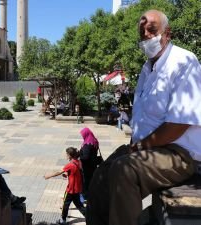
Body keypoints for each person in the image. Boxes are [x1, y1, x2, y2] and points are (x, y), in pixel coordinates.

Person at [86, 10, 201, 225]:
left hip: (181, 154)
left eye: (152, 29)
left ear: (167, 33)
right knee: (100, 175)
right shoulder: (147, 69)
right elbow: (142, 117)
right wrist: (134, 145)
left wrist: (139, 147)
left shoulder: (184, 61)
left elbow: (179, 124)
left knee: (124, 171)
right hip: (148, 148)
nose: (146, 34)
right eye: (142, 30)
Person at [44, 147, 86, 225]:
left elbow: (58, 172)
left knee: (65, 205)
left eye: (67, 154)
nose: (66, 155)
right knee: (79, 205)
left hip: (70, 190)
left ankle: (63, 220)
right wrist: (68, 174)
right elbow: (75, 171)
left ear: (70, 155)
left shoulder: (70, 164)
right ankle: (89, 216)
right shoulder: (78, 162)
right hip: (77, 189)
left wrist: (48, 176)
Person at [79, 128, 99, 200]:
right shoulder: (94, 141)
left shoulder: (87, 145)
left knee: (86, 181)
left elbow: (85, 157)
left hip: (87, 167)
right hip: (93, 165)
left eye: (83, 135)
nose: (82, 136)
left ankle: (86, 196)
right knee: (91, 180)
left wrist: (79, 156)